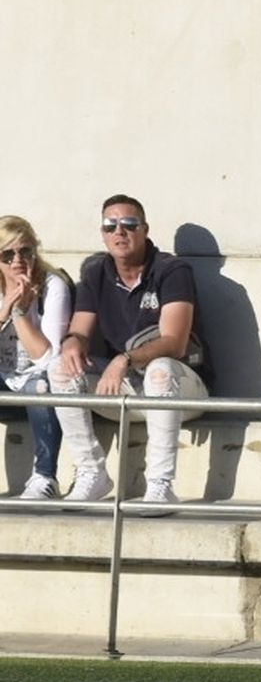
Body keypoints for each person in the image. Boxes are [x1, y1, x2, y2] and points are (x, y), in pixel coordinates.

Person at [49, 195, 210, 506]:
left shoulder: (172, 270)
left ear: (144, 229)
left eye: (129, 224)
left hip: (183, 390)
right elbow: (80, 330)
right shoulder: (96, 272)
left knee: (160, 370)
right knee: (60, 368)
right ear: (103, 233)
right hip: (127, 389)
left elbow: (174, 341)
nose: (119, 232)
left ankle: (161, 485)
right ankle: (92, 472)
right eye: (111, 226)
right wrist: (72, 343)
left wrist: (124, 360)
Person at [0, 216, 73, 499]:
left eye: (25, 251)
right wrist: (5, 309)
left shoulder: (53, 285)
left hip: (39, 386)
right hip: (5, 382)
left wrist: (20, 314)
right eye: (7, 254)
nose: (17, 260)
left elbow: (49, 360)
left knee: (40, 383)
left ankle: (45, 476)